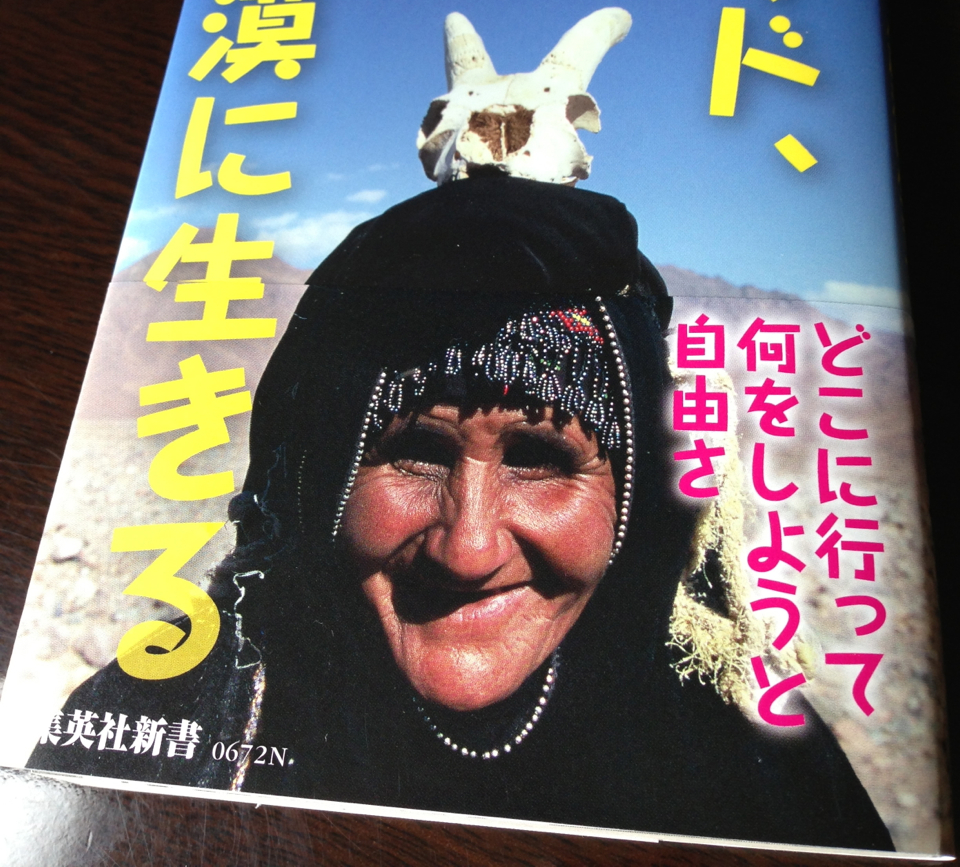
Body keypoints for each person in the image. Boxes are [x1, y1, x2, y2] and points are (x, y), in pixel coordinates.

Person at [32, 178, 893, 851]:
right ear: (323, 478)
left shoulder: (755, 763)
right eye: (414, 451)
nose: (467, 548)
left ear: (636, 499)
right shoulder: (166, 724)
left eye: (540, 460)